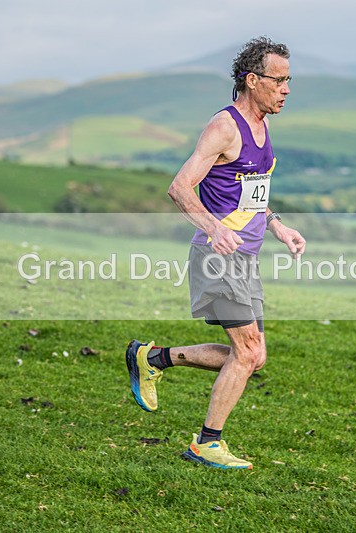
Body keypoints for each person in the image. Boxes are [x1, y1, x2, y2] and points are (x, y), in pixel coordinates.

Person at [126, 36, 306, 470]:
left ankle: (153, 358)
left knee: (253, 357)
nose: (285, 89)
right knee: (246, 353)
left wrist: (277, 224)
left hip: (245, 258)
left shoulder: (263, 127)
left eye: (288, 80)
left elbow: (249, 190)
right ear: (252, 80)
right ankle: (206, 444)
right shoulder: (225, 126)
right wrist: (213, 228)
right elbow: (179, 187)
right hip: (217, 256)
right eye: (278, 81)